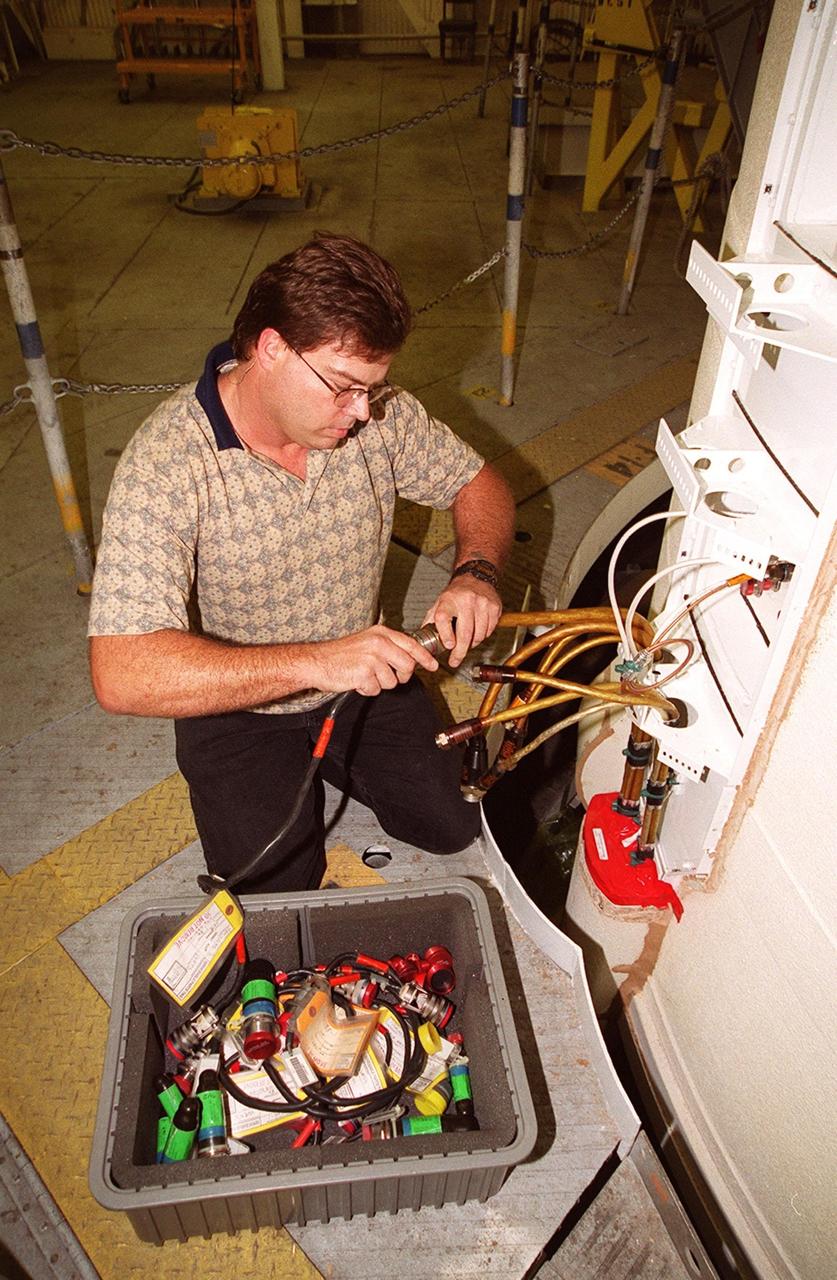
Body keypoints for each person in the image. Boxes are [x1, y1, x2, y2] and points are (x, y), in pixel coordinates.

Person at [89, 232, 515, 894]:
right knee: (276, 895)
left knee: (453, 824)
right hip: (239, 708)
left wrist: (476, 571)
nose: (363, 412)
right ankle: (287, 776)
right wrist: (315, 661)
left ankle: (334, 760)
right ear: (272, 348)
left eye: (371, 388)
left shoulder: (377, 419)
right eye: (344, 388)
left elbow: (478, 485)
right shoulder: (168, 462)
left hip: (363, 676)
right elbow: (121, 672)